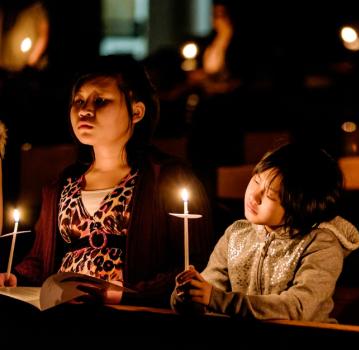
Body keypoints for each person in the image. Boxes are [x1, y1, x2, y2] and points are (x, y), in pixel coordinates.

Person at [0, 55, 213, 307]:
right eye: (78, 100)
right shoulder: (62, 185)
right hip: (62, 312)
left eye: (100, 100)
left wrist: (122, 295)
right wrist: (17, 277)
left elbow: (194, 262)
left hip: (132, 316)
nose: (85, 110)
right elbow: (40, 259)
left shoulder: (167, 178)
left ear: (136, 111)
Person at [171, 143, 359, 322]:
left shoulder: (321, 244)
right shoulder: (237, 234)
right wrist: (188, 295)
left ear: (300, 206)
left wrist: (216, 299)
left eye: (270, 195)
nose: (254, 196)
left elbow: (297, 307)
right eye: (256, 181)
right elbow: (207, 294)